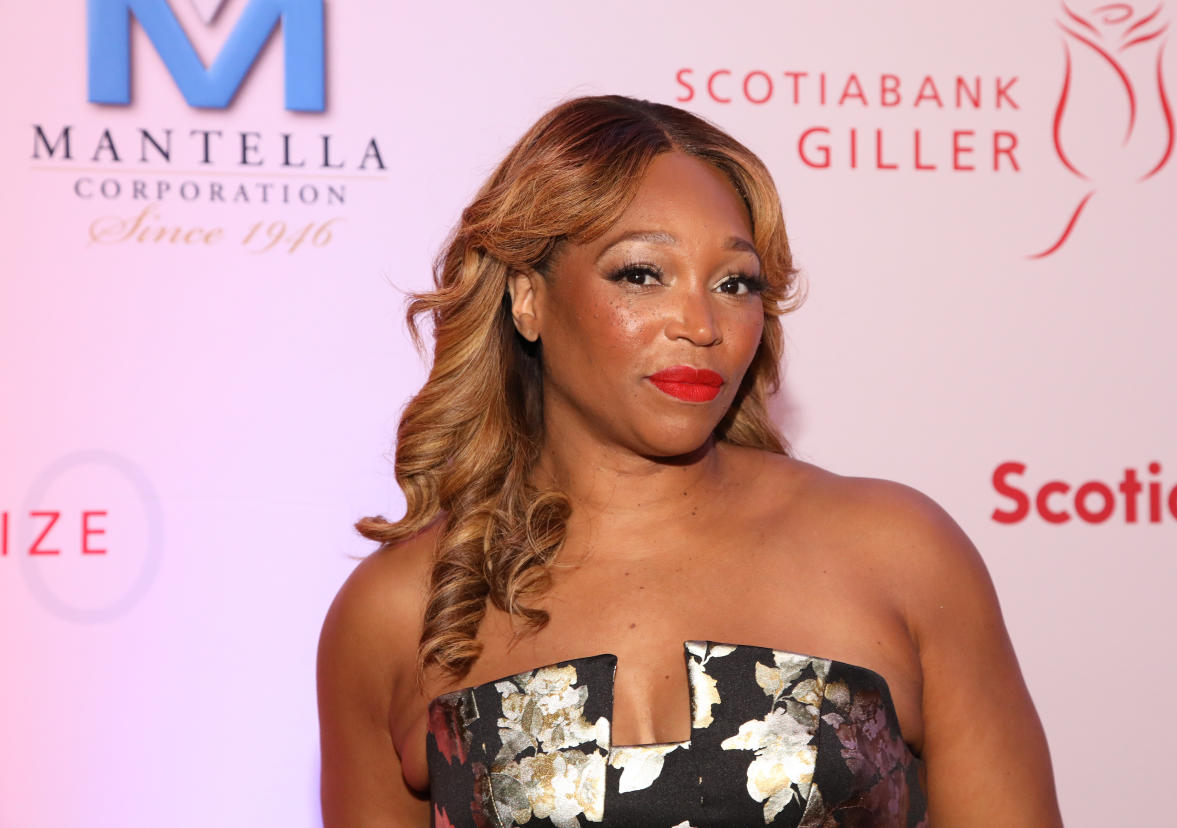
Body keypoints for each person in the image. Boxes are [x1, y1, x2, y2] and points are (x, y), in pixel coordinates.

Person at [317, 95, 1062, 827]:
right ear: (527, 299)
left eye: (734, 283)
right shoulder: (398, 612)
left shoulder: (900, 554)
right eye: (642, 274)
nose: (701, 325)